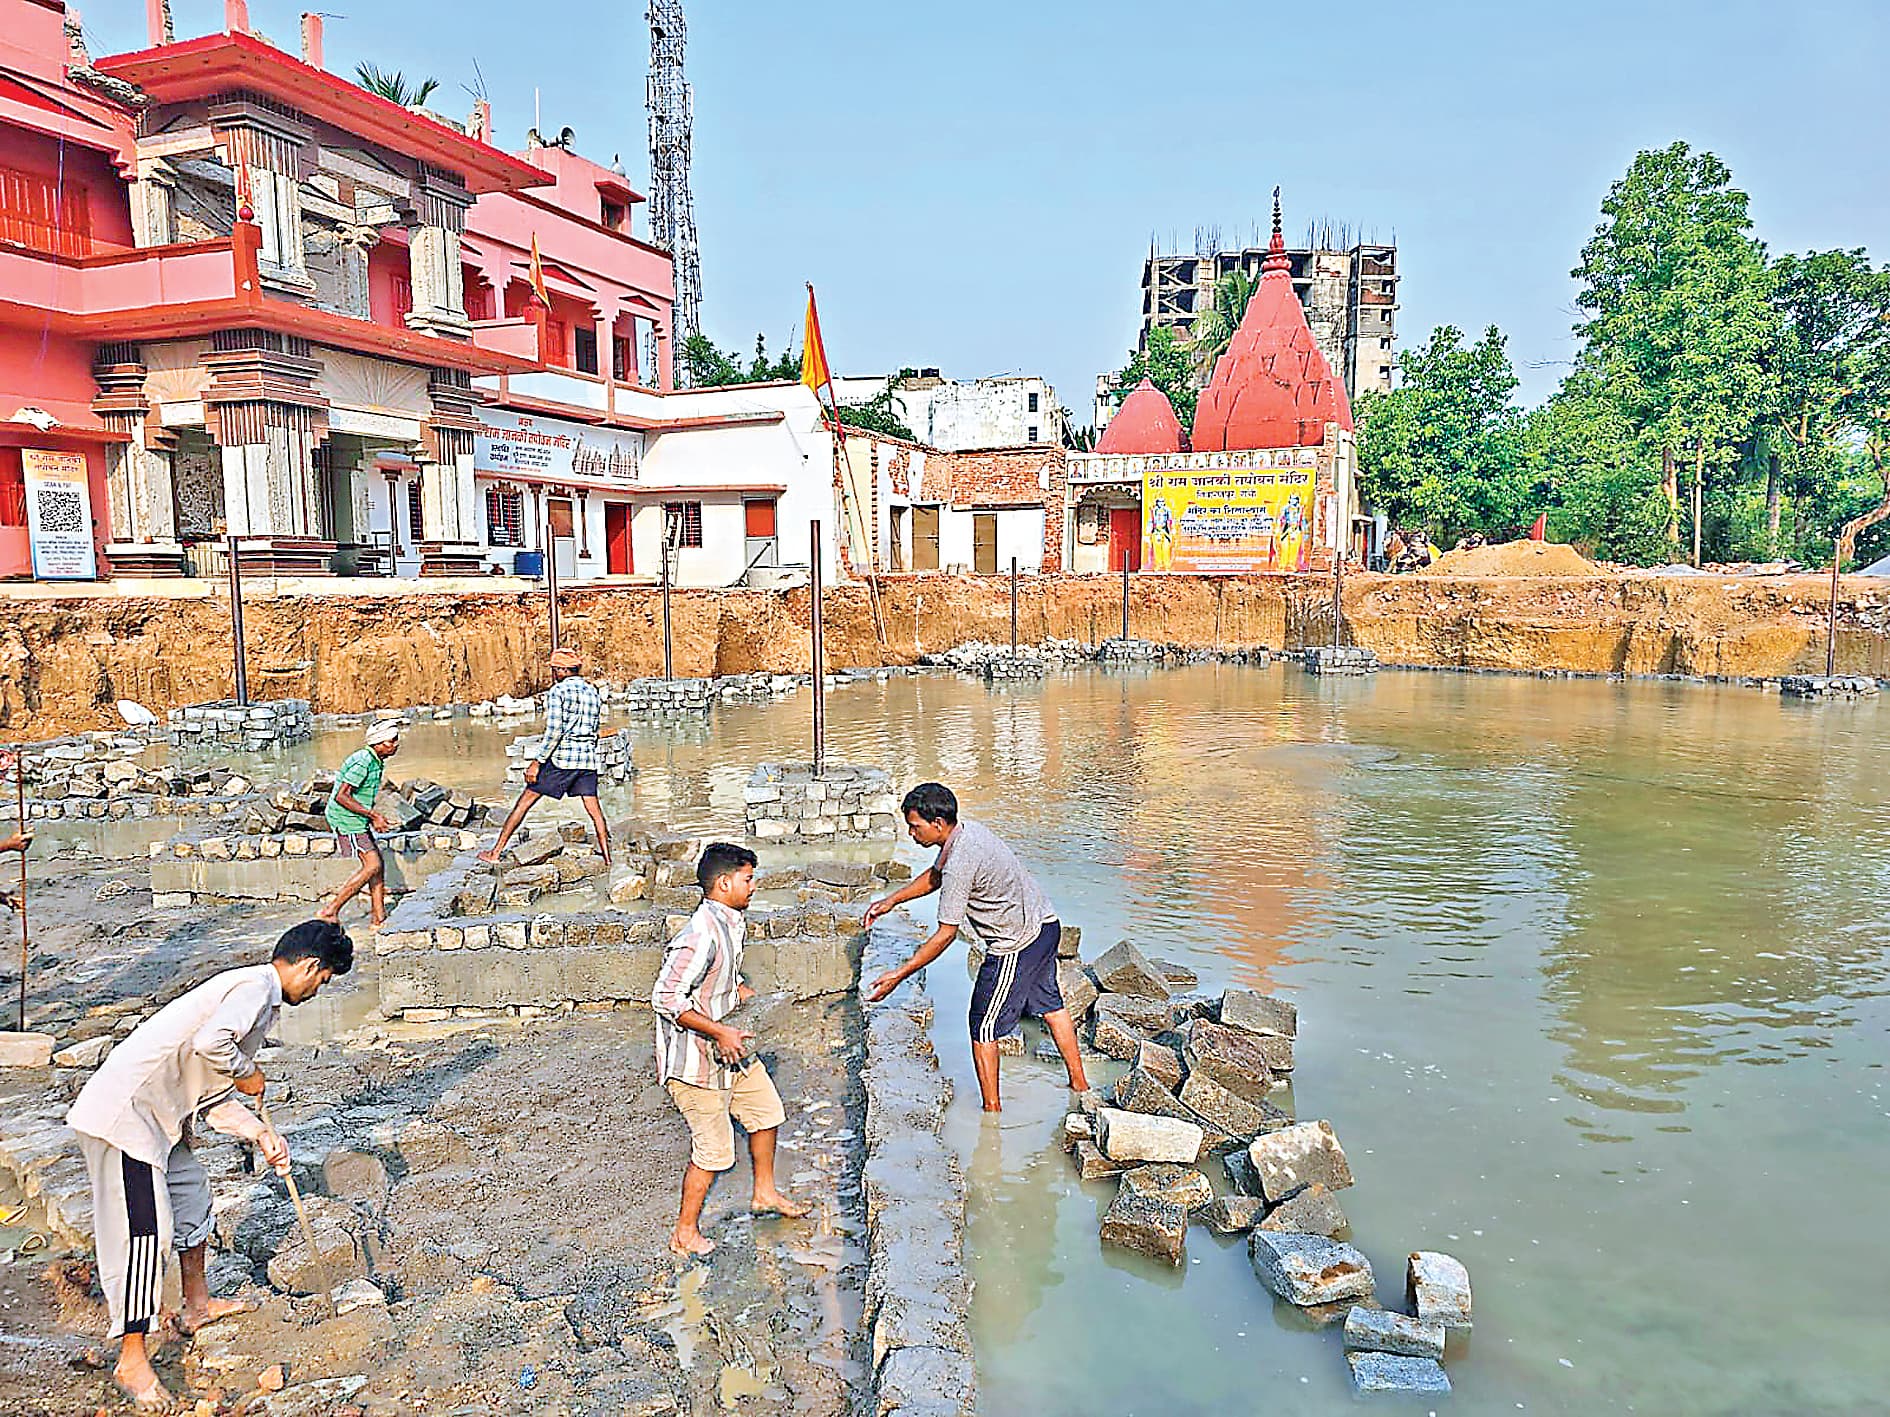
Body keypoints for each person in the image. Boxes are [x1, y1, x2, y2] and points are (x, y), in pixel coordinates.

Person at [66, 920, 354, 1410]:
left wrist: (262, 1133)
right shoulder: (255, 988)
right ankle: (132, 1359)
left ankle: (197, 1305)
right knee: (144, 1233)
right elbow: (212, 1046)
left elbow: (212, 1096)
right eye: (321, 981)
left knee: (193, 1194)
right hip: (126, 1118)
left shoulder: (255, 997)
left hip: (163, 1119)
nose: (316, 990)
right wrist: (248, 1071)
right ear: (309, 966)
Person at [862, 783, 1090, 1112]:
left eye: (915, 826)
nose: (911, 834)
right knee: (1051, 1005)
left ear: (937, 823)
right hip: (1046, 924)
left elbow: (945, 935)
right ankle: (1079, 1084)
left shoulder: (961, 861)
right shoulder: (966, 832)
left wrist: (899, 975)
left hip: (1017, 943)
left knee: (981, 1024)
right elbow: (934, 876)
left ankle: (991, 1114)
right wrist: (892, 900)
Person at [652, 842, 809, 1258]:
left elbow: (716, 978)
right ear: (724, 883)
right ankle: (685, 1232)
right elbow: (666, 997)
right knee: (713, 1152)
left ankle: (764, 1194)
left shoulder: (732, 922)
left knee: (767, 1113)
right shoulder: (699, 934)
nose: (753, 886)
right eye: (748, 879)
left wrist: (737, 990)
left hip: (731, 1050)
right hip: (696, 1064)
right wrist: (719, 1031)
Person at [479, 647, 610, 868]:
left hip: (562, 760)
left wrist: (537, 762)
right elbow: (595, 729)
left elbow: (554, 731)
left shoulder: (558, 692)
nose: (554, 673)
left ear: (562, 670)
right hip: (587, 760)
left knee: (523, 803)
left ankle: (495, 852)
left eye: (555, 669)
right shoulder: (592, 692)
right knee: (595, 812)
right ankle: (608, 860)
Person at [318, 720, 401, 928]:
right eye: (392, 741)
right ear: (378, 743)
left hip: (357, 817)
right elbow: (341, 796)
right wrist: (374, 816)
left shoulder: (375, 760)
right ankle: (331, 910)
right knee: (372, 865)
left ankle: (378, 917)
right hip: (346, 818)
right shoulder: (363, 761)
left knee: (377, 865)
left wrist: (370, 816)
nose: (396, 744)